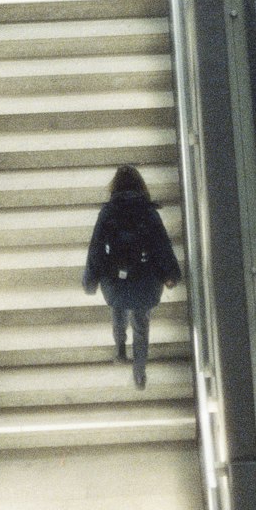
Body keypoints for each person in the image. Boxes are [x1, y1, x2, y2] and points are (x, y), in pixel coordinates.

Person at [82, 165, 181, 390]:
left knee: (117, 313)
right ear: (140, 186)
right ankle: (139, 373)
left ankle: (119, 349)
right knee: (141, 325)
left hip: (115, 281)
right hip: (145, 281)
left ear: (114, 187)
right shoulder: (149, 212)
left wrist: (91, 281)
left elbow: (96, 249)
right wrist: (171, 275)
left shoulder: (107, 213)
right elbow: (162, 246)